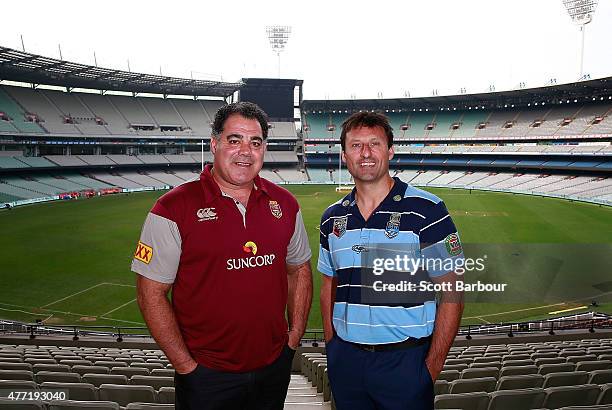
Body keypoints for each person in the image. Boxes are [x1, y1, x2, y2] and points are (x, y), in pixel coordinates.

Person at [132, 102, 313, 410]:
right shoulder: (172, 209)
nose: (246, 151)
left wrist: (292, 339)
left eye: (255, 142)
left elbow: (300, 270)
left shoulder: (286, 204)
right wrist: (186, 365)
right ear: (215, 144)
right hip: (206, 377)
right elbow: (150, 293)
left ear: (264, 149)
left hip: (273, 368)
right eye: (234, 140)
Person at [318, 112, 464, 410]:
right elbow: (329, 283)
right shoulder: (332, 218)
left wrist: (430, 367)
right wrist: (333, 346)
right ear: (344, 155)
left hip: (405, 363)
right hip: (347, 361)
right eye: (356, 145)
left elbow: (453, 290)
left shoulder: (427, 210)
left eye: (375, 144)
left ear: (390, 151)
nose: (366, 153)